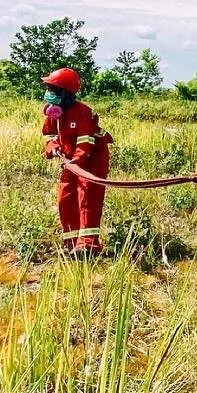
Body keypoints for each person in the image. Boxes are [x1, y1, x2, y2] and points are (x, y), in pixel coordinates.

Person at [40, 67, 113, 259]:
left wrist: (76, 160)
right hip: (71, 161)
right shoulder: (53, 113)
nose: (49, 94)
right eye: (48, 89)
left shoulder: (83, 112)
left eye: (54, 91)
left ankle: (88, 246)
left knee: (87, 198)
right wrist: (53, 146)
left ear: (65, 93)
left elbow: (86, 141)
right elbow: (49, 134)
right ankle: (71, 243)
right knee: (66, 197)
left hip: (92, 160)